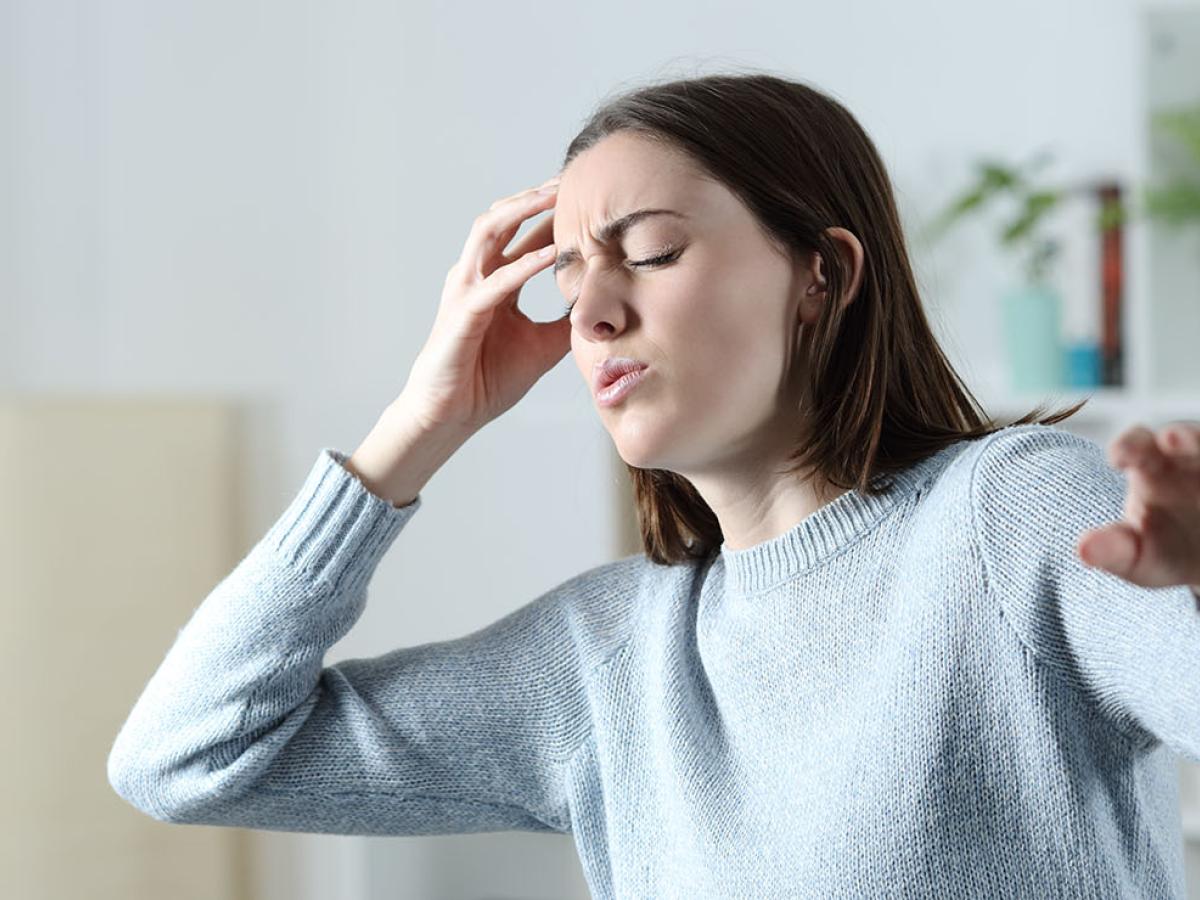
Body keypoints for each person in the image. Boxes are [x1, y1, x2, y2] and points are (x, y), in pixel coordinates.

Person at [107, 71, 1200, 898]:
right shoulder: (608, 657)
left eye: (652, 252)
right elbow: (188, 759)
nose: (591, 313)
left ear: (823, 273)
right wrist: (420, 424)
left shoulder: (1008, 515)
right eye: (569, 275)